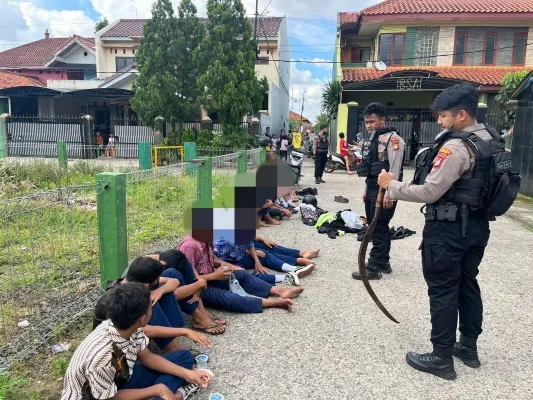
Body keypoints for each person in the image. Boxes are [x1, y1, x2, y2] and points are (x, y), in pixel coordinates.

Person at [377, 83, 499, 380]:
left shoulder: (457, 146)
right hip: (477, 227)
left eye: (443, 117)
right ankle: (468, 347)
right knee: (468, 284)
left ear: (460, 115)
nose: (439, 122)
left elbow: (430, 191)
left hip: (448, 230)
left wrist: (390, 185)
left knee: (443, 289)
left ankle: (441, 357)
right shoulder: (491, 139)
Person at [61, 283, 211, 400]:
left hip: (122, 375)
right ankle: (171, 394)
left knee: (184, 357)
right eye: (150, 306)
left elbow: (147, 357)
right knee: (161, 388)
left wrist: (187, 375)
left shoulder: (126, 325)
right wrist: (157, 389)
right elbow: (109, 398)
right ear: (143, 318)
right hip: (97, 395)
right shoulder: (102, 356)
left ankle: (163, 393)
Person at [178, 236, 303, 313]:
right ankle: (275, 302)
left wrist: (229, 267)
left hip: (209, 277)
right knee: (228, 298)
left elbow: (213, 259)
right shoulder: (190, 246)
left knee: (241, 274)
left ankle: (280, 291)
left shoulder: (206, 240)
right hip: (196, 289)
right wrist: (214, 276)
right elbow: (187, 278)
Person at [351, 103, 405, 280]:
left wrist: (391, 193)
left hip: (385, 191)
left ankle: (374, 266)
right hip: (373, 188)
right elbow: (369, 169)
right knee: (375, 226)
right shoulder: (373, 138)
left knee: (378, 225)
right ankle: (383, 261)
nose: (369, 125)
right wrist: (366, 190)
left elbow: (395, 169)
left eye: (372, 121)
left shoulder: (394, 140)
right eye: (366, 122)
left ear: (383, 119)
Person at [127, 256, 226, 336]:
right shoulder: (130, 294)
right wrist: (198, 284)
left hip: (153, 288)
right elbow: (144, 329)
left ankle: (200, 316)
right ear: (147, 285)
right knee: (159, 299)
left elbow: (175, 281)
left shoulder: (140, 278)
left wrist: (160, 290)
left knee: (172, 274)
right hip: (140, 323)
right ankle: (173, 345)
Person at [214, 236, 315, 286]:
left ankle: (294, 269)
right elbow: (213, 258)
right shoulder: (222, 240)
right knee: (244, 275)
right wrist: (232, 267)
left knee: (263, 254)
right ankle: (285, 278)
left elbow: (250, 245)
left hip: (239, 258)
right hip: (227, 263)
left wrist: (258, 263)